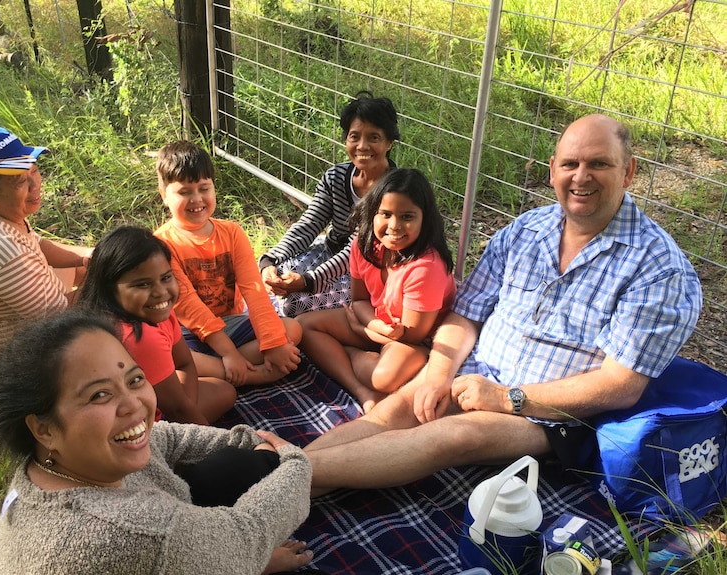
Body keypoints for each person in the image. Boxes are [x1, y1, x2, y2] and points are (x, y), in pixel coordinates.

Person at [305, 114, 703, 491]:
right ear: (552, 170)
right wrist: (438, 374)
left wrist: (507, 397)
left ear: (628, 171)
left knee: (448, 436)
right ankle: (274, 477)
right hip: (473, 376)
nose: (581, 177)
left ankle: (274, 473)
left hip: (549, 416)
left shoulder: (659, 269)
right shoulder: (525, 231)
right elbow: (466, 315)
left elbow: (620, 386)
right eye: (570, 164)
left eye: (598, 164)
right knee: (390, 413)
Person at [0, 309, 314, 575]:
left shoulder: (43, 467)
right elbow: (247, 536)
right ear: (43, 429)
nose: (135, 404)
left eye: (135, 379)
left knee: (243, 461)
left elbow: (164, 436)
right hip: (183, 537)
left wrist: (245, 439)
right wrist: (291, 459)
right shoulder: (130, 529)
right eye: (99, 394)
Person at [298, 169, 456, 412]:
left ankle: (346, 355)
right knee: (303, 325)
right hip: (380, 323)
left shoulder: (426, 266)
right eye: (385, 214)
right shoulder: (364, 245)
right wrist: (372, 325)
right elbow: (360, 299)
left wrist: (361, 328)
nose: (394, 226)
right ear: (372, 213)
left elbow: (411, 336)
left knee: (384, 377)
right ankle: (361, 390)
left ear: (425, 220)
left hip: (418, 342)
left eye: (407, 217)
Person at [154, 140, 302, 387]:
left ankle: (223, 371)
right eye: (184, 192)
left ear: (213, 188)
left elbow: (253, 290)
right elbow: (188, 306)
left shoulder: (232, 232)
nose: (196, 199)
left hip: (230, 324)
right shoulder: (160, 245)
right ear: (164, 196)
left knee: (291, 329)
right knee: (166, 355)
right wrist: (229, 354)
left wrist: (273, 343)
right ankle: (247, 372)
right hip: (187, 334)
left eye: (204, 188)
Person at [0, 125, 92, 364]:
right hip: (20, 355)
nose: (35, 185)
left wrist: (88, 256)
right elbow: (60, 320)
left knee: (94, 268)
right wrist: (106, 280)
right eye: (19, 181)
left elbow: (34, 243)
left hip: (29, 310)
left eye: (33, 171)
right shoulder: (3, 251)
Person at [259, 91, 400, 317]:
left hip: (365, 273)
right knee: (272, 280)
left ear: (389, 143)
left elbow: (356, 251)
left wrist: (309, 281)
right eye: (355, 137)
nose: (362, 146)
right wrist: (270, 260)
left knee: (294, 304)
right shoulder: (336, 176)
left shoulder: (395, 192)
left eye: (374, 138)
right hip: (329, 251)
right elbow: (310, 224)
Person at [77, 225, 236, 425]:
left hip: (153, 405)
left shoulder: (160, 312)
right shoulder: (138, 337)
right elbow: (178, 410)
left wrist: (188, 405)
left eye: (166, 278)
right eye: (143, 284)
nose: (160, 292)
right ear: (110, 290)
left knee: (224, 391)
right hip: (122, 423)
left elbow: (185, 363)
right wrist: (213, 442)